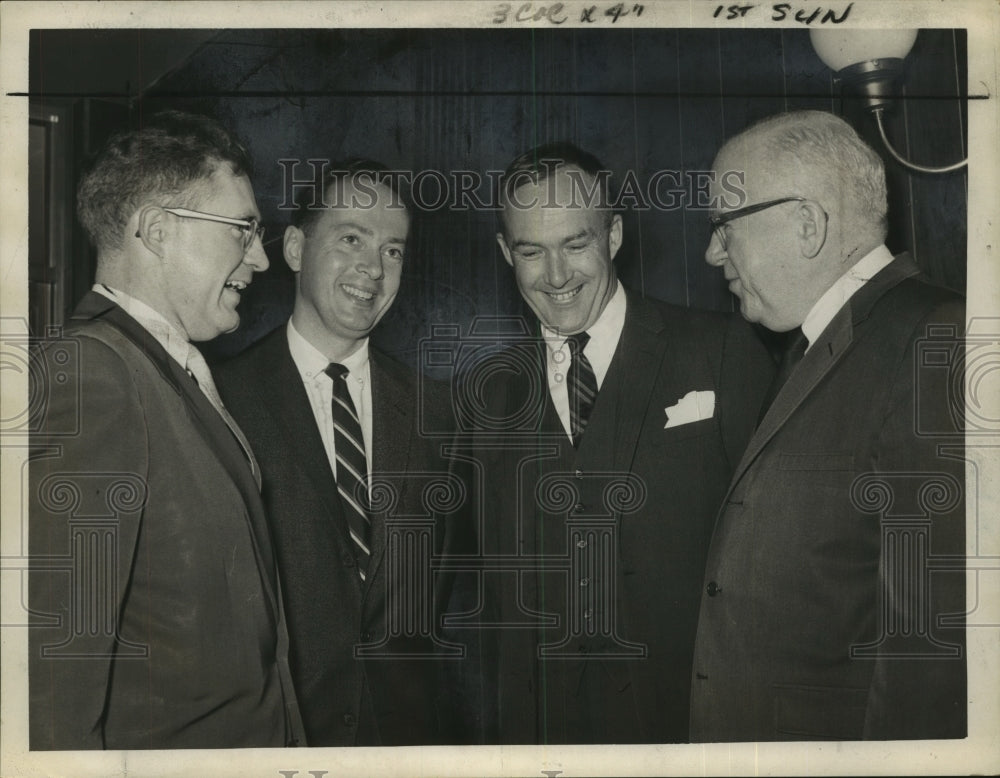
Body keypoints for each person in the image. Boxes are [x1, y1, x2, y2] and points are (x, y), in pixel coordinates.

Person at [462, 142, 773, 744]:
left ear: (613, 235)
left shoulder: (725, 350)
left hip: (691, 726)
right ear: (505, 253)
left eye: (576, 244)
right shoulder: (486, 397)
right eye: (531, 251)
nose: (557, 276)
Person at [29, 111, 305, 749]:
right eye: (242, 230)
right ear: (157, 230)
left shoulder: (159, 365)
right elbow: (54, 678)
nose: (260, 259)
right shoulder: (92, 375)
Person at [690, 109, 966, 741]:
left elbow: (932, 647)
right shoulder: (812, 345)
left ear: (808, 224)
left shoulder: (936, 338)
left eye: (724, 225)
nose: (711, 252)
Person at [216, 160, 463, 746]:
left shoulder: (440, 414)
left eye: (393, 251)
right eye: (351, 238)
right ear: (295, 249)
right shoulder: (221, 401)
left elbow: (454, 598)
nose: (373, 268)